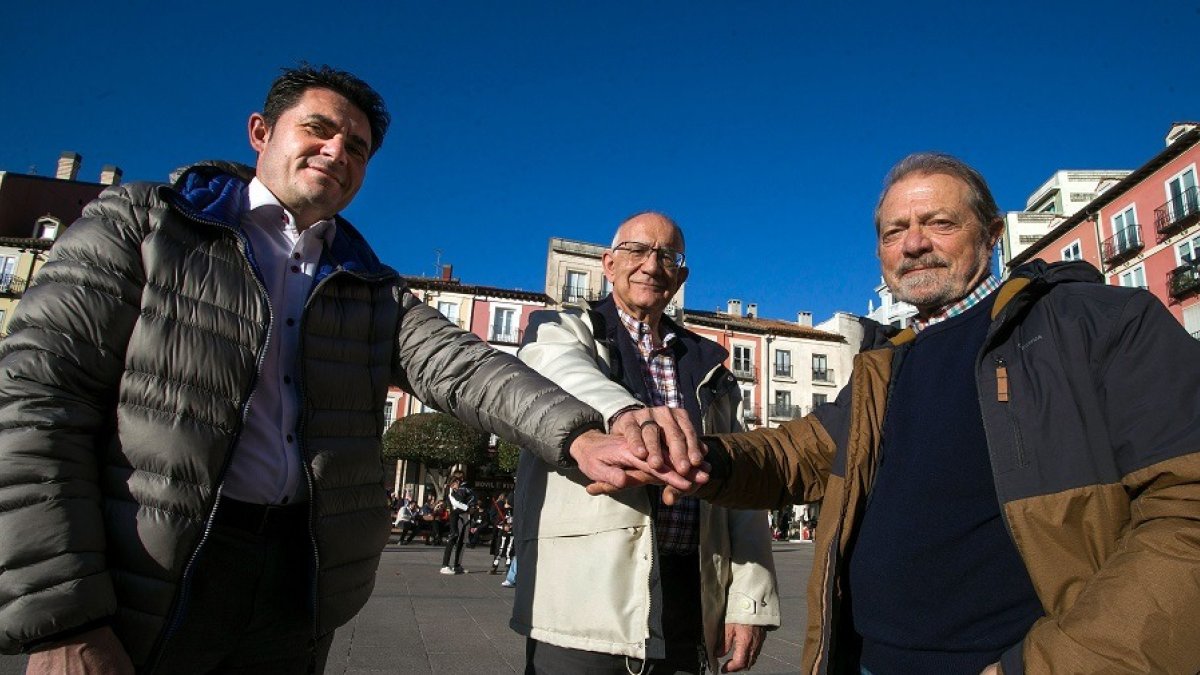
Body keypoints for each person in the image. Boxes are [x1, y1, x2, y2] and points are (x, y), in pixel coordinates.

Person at [0, 64, 691, 674]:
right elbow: (34, 399)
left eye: (356, 147)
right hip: (146, 575)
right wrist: (65, 615)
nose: (337, 151)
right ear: (261, 132)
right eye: (319, 130)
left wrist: (580, 434)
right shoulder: (146, 225)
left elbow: (468, 368)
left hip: (294, 585)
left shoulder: (366, 283)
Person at [610, 153, 1200, 674]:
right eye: (895, 231)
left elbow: (1187, 516)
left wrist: (1046, 666)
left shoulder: (1099, 324)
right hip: (870, 659)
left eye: (939, 223)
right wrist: (698, 454)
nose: (914, 243)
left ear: (993, 234)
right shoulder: (883, 368)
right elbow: (796, 453)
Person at [514, 212, 780, 674]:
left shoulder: (710, 367)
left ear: (681, 276)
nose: (652, 265)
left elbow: (742, 485)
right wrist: (626, 413)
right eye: (637, 251)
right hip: (584, 600)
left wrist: (749, 599)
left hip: (690, 596)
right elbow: (554, 367)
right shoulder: (563, 329)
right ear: (608, 264)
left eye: (667, 256)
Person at [440, 473, 477, 574]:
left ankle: (457, 565)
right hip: (456, 516)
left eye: (460, 479)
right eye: (457, 479)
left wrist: (471, 507)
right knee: (453, 537)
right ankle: (445, 565)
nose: (459, 481)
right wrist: (468, 508)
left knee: (463, 541)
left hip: (465, 516)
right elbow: (455, 503)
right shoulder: (450, 491)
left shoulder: (463, 490)